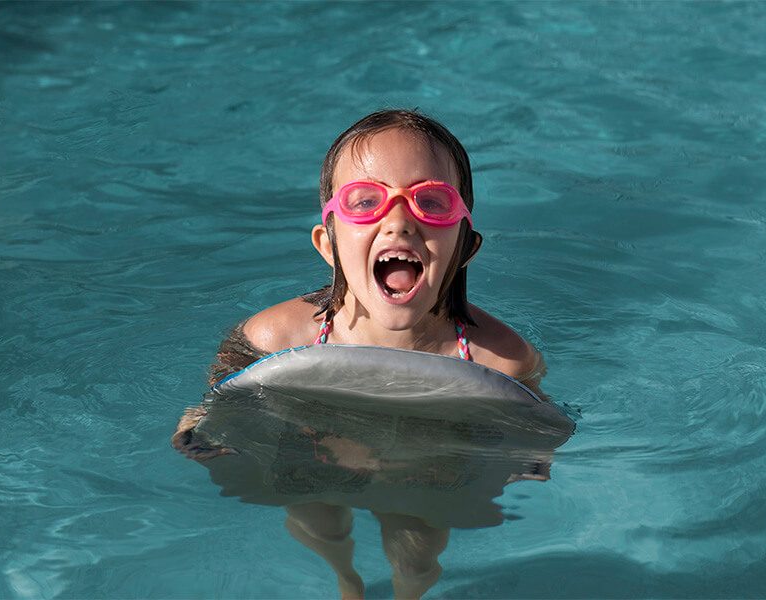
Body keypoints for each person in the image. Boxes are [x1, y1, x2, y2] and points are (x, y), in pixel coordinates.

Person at [173, 109, 548, 600]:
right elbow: (221, 390)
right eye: (366, 201)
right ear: (327, 244)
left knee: (417, 550)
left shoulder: (501, 360)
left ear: (466, 246)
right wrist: (197, 426)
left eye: (430, 202)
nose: (398, 222)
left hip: (425, 463)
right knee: (315, 515)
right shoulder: (275, 335)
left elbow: (531, 425)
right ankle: (345, 579)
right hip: (312, 448)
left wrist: (530, 457)